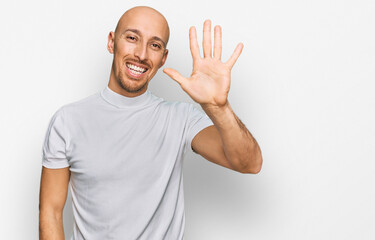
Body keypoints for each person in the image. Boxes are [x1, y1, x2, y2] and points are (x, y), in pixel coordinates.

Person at [38, 5, 262, 240]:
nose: (142, 54)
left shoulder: (181, 119)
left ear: (163, 57)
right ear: (111, 42)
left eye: (154, 45)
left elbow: (250, 163)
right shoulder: (68, 121)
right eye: (132, 38)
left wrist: (218, 107)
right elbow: (50, 213)